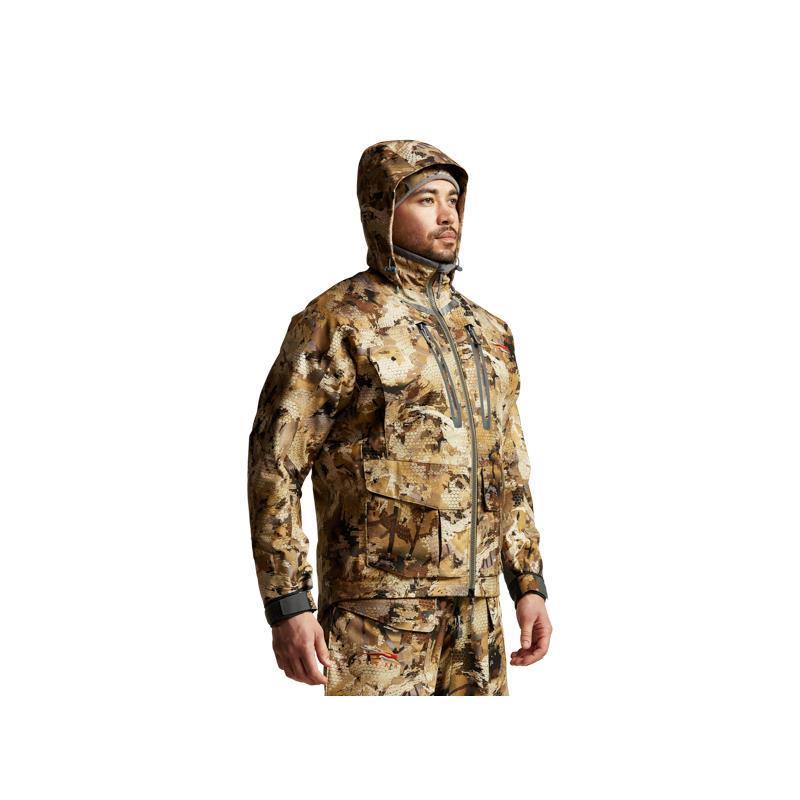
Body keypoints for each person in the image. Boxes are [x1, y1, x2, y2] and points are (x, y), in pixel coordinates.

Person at [247, 139, 553, 695]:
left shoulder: (488, 333)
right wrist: (288, 603)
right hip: (376, 616)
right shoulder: (338, 320)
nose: (446, 215)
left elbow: (509, 467)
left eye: (453, 200)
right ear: (381, 210)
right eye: (425, 199)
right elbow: (275, 463)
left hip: (478, 617)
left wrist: (527, 583)